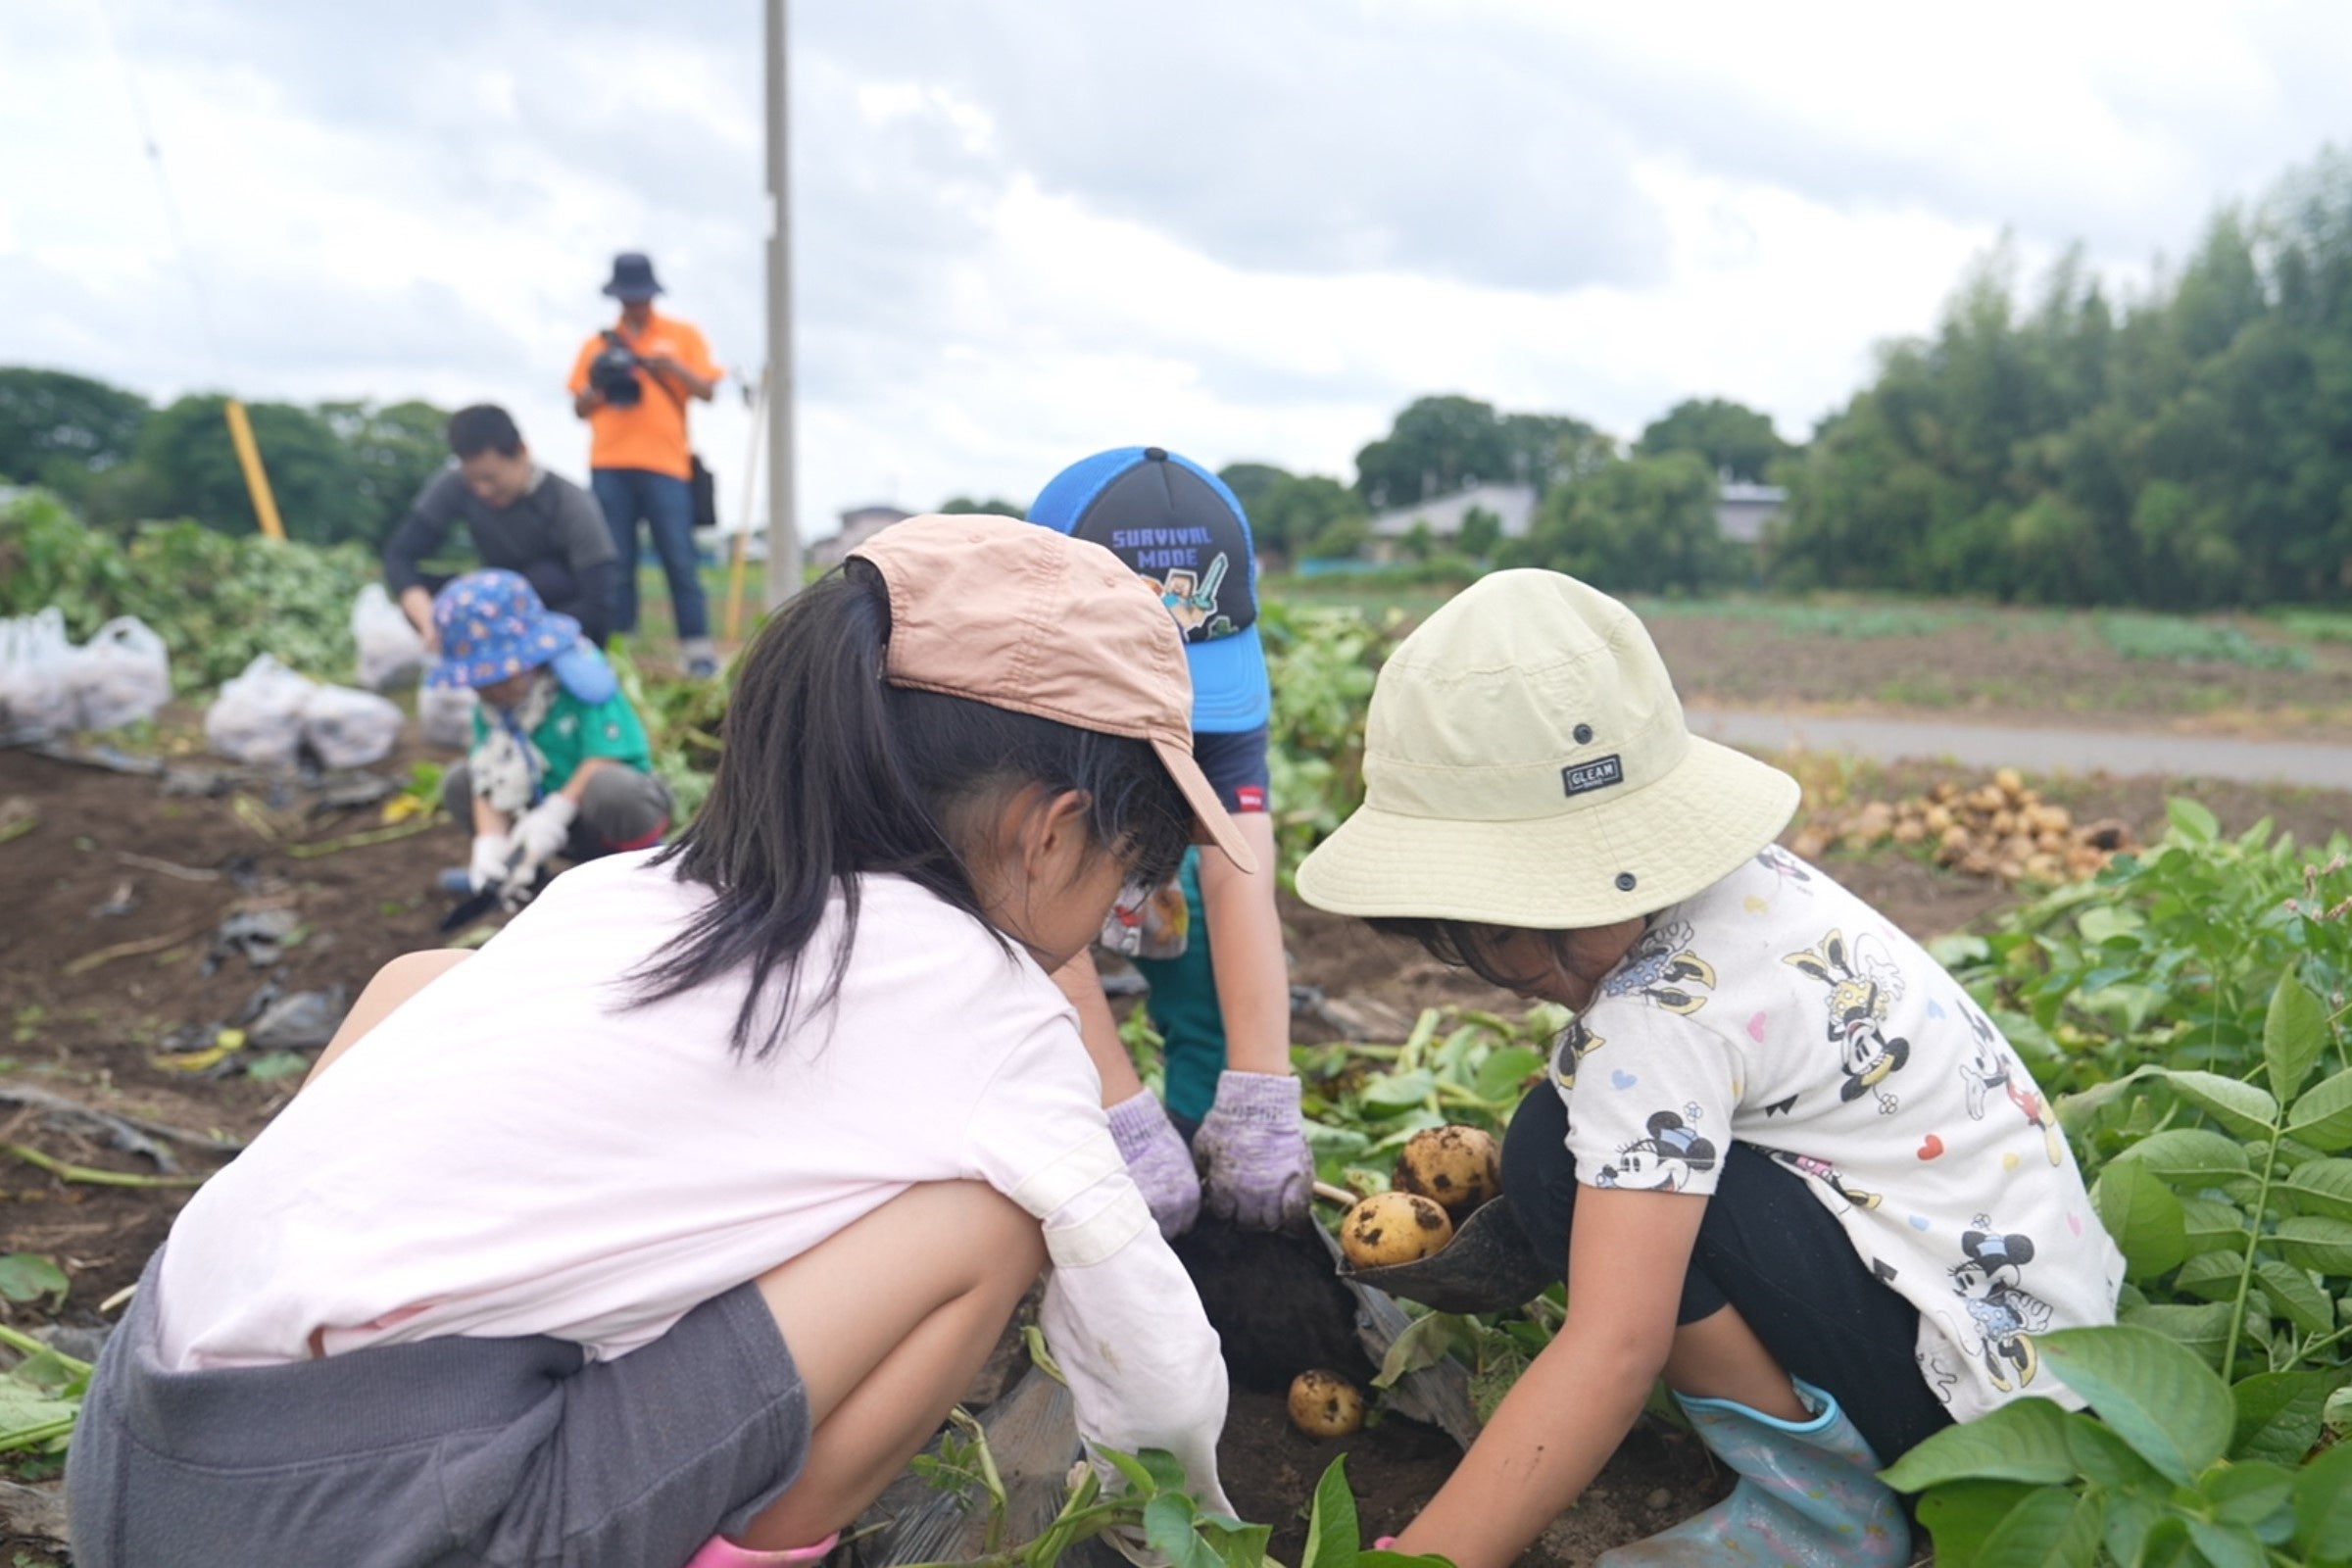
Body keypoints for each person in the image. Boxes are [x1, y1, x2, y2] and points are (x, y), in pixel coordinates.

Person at [66, 515, 1248, 1568]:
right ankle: (752, 1549)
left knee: (422, 979)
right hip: (380, 1525)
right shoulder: (994, 1014)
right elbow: (1154, 1354)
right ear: (1051, 835)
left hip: (136, 1452)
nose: (1120, 912)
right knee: (988, 1214)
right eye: (1130, 872)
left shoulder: (620, 892)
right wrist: (1199, 1498)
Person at [1294, 569, 2125, 1568]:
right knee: (1566, 1129)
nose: (1576, 957)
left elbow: (1613, 1348)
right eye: (1528, 931)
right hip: (2062, 1361)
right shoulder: (1756, 886)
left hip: (1975, 1418)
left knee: (1559, 1156)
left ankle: (1827, 1514)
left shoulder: (1658, 1016)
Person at [1025, 447, 1312, 1237]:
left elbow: (1239, 871)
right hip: (993, 897)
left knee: (1212, 970)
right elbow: (1025, 909)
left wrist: (1262, 1089)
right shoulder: (1001, 706)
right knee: (1017, 1035)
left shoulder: (1220, 706)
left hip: (1133, 847)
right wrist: (1117, 1109)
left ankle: (1199, 1139)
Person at [427, 569, 674, 902]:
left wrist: (555, 812)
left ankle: (646, 875)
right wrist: (489, 842)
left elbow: (605, 755)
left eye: (502, 678)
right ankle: (524, 876)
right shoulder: (492, 705)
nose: (493, 690)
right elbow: (487, 771)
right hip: (542, 820)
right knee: (461, 780)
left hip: (601, 818)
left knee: (613, 787)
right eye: (482, 682)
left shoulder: (581, 681)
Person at [568, 251, 722, 677]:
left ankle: (697, 652)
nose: (634, 303)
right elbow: (579, 407)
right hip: (610, 464)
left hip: (667, 465)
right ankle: (621, 648)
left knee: (681, 559)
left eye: (640, 296)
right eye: (628, 296)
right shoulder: (597, 346)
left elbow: (708, 390)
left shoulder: (681, 336)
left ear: (652, 294)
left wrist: (671, 367)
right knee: (615, 561)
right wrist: (601, 381)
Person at [381, 404, 619, 649]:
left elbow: (599, 603)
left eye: (490, 478)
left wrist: (515, 638)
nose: (482, 490)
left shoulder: (569, 501)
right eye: (472, 479)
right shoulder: (455, 485)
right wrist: (428, 620)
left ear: (522, 452)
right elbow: (399, 556)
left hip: (551, 612)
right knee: (440, 592)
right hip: (493, 600)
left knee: (547, 578)